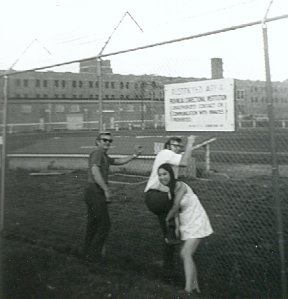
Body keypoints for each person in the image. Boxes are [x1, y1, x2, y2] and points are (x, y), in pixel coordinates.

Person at [83, 131, 142, 262]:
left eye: (110, 141)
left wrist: (134, 155)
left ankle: (86, 254)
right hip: (95, 191)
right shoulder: (97, 153)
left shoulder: (104, 155)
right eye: (105, 140)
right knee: (104, 225)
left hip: (93, 191)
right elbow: (95, 171)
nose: (108, 143)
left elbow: (118, 161)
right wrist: (106, 190)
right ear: (98, 142)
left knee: (93, 224)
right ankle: (94, 256)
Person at [158, 163, 213, 295]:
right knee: (187, 254)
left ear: (171, 174)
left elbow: (176, 206)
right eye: (159, 175)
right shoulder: (170, 191)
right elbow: (176, 213)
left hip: (197, 221)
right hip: (187, 224)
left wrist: (166, 219)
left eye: (164, 174)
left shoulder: (180, 185)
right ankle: (195, 288)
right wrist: (176, 227)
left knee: (185, 253)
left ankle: (188, 289)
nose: (162, 177)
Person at [144, 135, 195, 274]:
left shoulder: (172, 161)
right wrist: (190, 143)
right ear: (168, 146)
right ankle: (180, 230)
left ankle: (168, 268)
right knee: (180, 207)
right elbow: (185, 162)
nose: (177, 149)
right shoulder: (165, 153)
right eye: (174, 145)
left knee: (169, 235)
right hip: (155, 196)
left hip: (160, 199)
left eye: (180, 146)